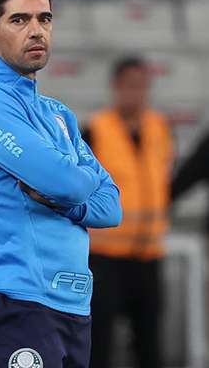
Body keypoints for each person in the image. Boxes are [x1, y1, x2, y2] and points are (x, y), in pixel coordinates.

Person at [0, 0, 122, 368]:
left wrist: (68, 196)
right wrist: (73, 182)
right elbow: (68, 183)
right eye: (20, 20)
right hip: (14, 297)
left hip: (72, 299)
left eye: (45, 19)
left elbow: (111, 207)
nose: (37, 30)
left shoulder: (57, 114)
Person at [83, 56, 173, 368]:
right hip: (106, 256)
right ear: (116, 87)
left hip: (148, 255)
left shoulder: (159, 128)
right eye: (129, 86)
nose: (136, 93)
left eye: (142, 86)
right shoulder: (95, 130)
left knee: (149, 346)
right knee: (100, 345)